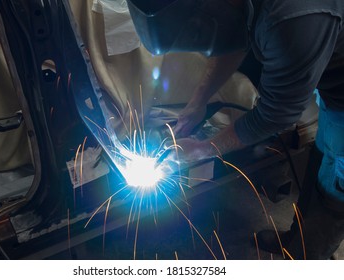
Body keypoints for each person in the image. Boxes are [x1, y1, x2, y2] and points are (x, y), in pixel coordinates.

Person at [127, 0, 344, 259]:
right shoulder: (252, 11)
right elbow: (236, 39)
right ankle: (297, 240)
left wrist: (202, 150)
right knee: (325, 160)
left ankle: (307, 259)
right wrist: (198, 103)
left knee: (337, 187)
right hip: (334, 85)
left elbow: (277, 114)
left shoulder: (292, 19)